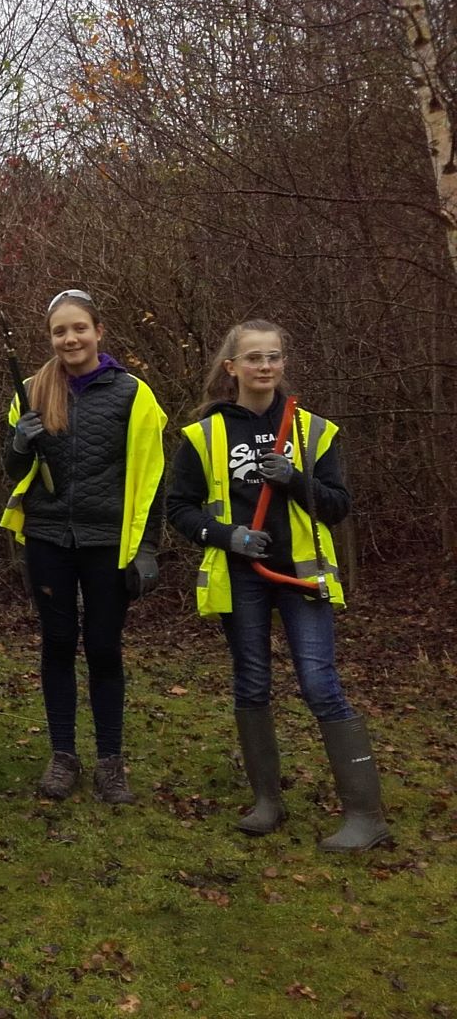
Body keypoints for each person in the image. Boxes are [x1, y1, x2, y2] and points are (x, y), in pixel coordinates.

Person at [166, 319, 388, 850]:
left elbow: (337, 506)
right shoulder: (205, 435)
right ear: (232, 367)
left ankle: (366, 815)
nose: (265, 366)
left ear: (283, 363)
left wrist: (294, 480)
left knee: (319, 684)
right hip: (241, 577)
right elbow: (179, 509)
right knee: (251, 683)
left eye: (273, 357)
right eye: (254, 358)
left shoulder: (312, 430)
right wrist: (229, 536)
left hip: (301, 576)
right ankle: (267, 801)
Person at [0, 289, 168, 804]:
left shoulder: (133, 394)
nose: (70, 339)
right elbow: (11, 470)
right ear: (50, 338)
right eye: (59, 331)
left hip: (108, 542)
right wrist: (19, 442)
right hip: (48, 538)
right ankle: (63, 756)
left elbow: (153, 477)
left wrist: (147, 548)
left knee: (102, 647)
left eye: (79, 328)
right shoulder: (31, 391)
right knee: (56, 644)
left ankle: (110, 761)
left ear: (98, 331)